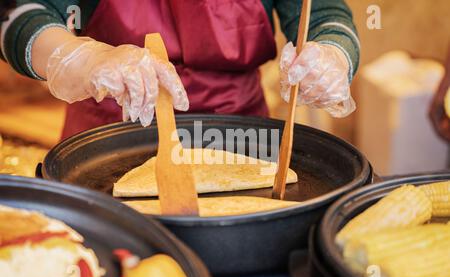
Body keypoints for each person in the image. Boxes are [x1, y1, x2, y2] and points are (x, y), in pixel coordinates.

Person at [0, 1, 360, 139]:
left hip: (240, 137)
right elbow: (21, 13)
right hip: (107, 137)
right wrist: (82, 58)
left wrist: (332, 56)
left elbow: (326, 15)